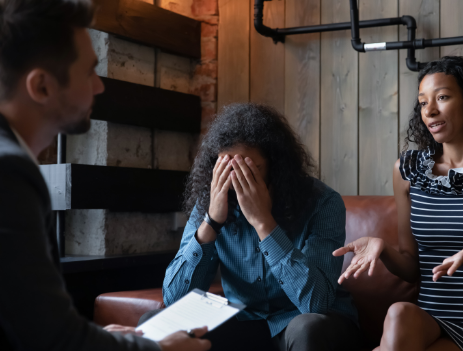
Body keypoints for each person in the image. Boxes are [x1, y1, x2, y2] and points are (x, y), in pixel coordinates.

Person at [0, 0, 211, 350]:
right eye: (88, 72)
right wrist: (160, 349)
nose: (99, 87)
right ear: (41, 87)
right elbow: (53, 341)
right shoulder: (10, 173)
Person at [334, 56, 463, 351]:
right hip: (430, 323)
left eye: (442, 97)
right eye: (422, 103)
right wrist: (383, 249)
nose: (430, 111)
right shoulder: (406, 171)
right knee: (399, 313)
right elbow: (411, 267)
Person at [153, 103, 360, 351]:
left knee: (305, 328)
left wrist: (264, 223)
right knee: (160, 327)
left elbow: (316, 303)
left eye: (248, 168)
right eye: (226, 167)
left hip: (313, 321)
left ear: (275, 165)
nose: (235, 178)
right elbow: (173, 299)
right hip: (247, 320)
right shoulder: (211, 202)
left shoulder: (323, 203)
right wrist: (211, 222)